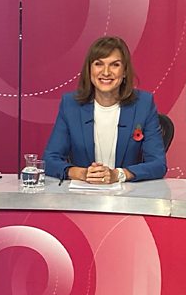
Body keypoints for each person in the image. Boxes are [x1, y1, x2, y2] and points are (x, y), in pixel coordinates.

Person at [42, 36, 166, 184]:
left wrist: (119, 174)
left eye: (115, 65)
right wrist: (81, 173)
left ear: (125, 71)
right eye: (98, 64)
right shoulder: (71, 105)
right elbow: (49, 160)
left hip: (128, 198)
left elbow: (158, 164)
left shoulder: (143, 104)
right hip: (82, 198)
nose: (106, 72)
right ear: (89, 69)